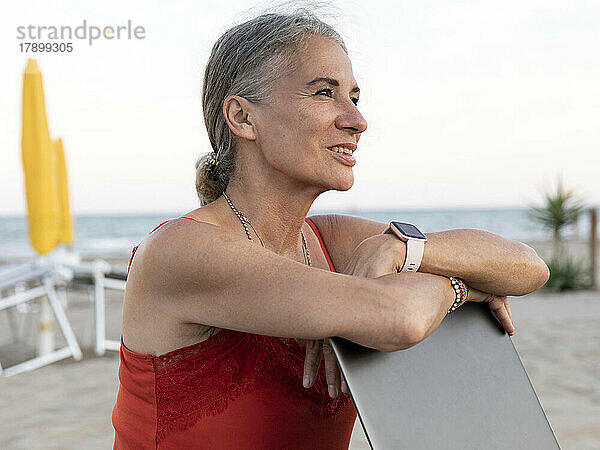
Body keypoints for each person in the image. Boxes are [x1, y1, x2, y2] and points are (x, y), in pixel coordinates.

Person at [111, 8, 549, 450]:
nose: (357, 121)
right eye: (325, 93)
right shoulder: (181, 251)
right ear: (243, 118)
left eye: (354, 99)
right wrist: (461, 287)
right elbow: (399, 319)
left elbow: (528, 266)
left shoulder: (328, 241)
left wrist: (405, 251)